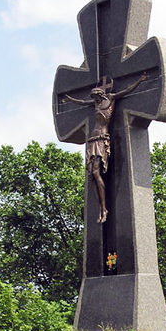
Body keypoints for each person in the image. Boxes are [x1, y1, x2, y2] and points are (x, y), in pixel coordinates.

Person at [64, 73, 146, 223]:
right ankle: (101, 208)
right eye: (93, 98)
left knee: (96, 172)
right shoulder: (95, 104)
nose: (94, 100)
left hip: (102, 139)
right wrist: (70, 99)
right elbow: (82, 102)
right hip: (92, 139)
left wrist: (139, 80)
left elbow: (126, 91)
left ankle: (104, 209)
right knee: (91, 175)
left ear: (100, 95)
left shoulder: (111, 98)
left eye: (96, 97)